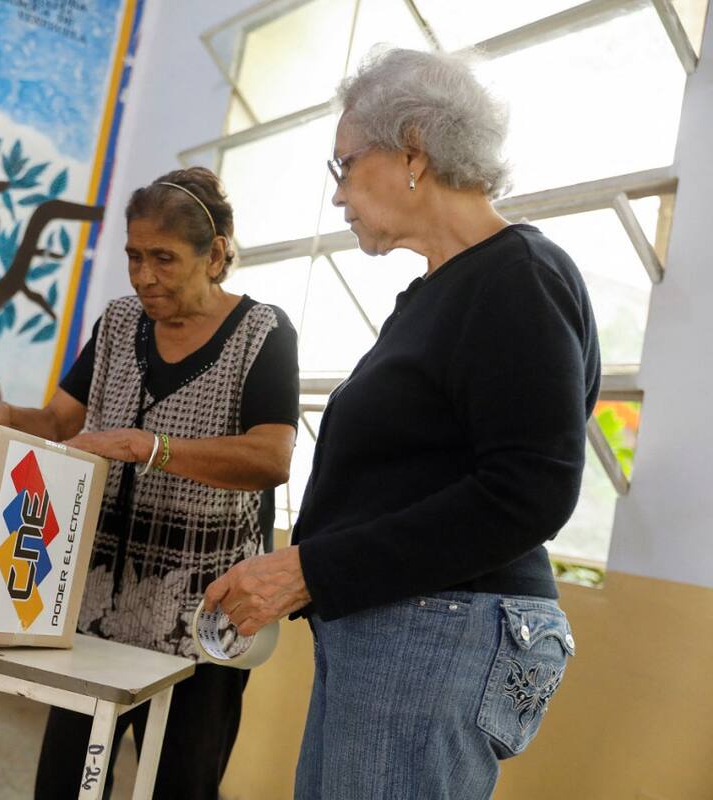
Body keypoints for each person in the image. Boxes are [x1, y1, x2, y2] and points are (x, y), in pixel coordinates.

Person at [204, 48, 600, 799]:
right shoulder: (434, 296)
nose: (339, 198)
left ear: (412, 148)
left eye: (343, 166)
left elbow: (530, 490)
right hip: (398, 628)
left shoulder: (518, 277)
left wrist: (309, 570)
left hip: (438, 631)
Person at [0, 167, 300, 799]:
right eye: (134, 256)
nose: (143, 276)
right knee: (66, 786)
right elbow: (57, 420)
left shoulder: (263, 335)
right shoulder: (118, 324)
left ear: (214, 255)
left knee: (180, 787)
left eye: (164, 258)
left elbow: (271, 458)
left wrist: (149, 448)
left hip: (203, 624)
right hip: (95, 615)